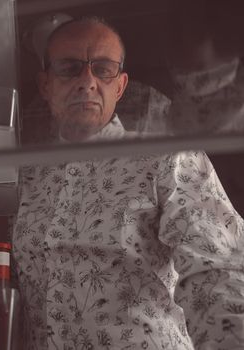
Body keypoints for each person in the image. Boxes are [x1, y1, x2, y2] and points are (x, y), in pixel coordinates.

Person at [12, 16, 244, 350]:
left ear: (119, 86)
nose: (87, 81)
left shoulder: (167, 157)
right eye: (69, 67)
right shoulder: (25, 177)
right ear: (45, 85)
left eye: (102, 69)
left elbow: (217, 267)